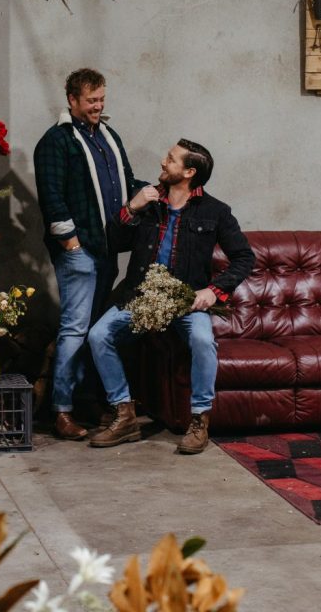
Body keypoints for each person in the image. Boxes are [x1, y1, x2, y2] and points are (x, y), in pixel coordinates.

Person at [87, 138, 254, 454]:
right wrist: (131, 208)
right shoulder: (149, 202)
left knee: (204, 341)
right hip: (139, 295)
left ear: (189, 171)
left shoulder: (216, 212)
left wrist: (212, 291)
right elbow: (114, 241)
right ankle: (124, 416)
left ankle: (200, 421)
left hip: (185, 301)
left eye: (171, 159)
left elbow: (244, 257)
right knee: (98, 336)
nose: (164, 162)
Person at [33, 68, 139, 440]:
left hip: (107, 249)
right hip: (79, 252)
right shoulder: (56, 141)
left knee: (95, 330)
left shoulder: (108, 136)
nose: (98, 106)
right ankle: (61, 411)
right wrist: (71, 243)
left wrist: (158, 192)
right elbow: (52, 198)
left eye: (102, 99)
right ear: (73, 100)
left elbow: (126, 181)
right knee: (75, 330)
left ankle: (86, 399)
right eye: (91, 100)